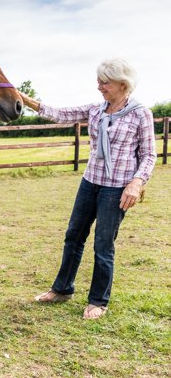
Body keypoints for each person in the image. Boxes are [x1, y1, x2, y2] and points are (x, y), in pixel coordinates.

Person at [21, 58, 157, 319]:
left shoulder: (141, 113)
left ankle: (98, 301)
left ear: (123, 84)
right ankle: (62, 289)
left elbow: (149, 154)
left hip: (116, 188)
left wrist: (136, 183)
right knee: (73, 236)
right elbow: (60, 114)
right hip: (90, 182)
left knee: (103, 244)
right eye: (99, 81)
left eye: (105, 82)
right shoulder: (96, 110)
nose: (99, 87)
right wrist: (26, 100)